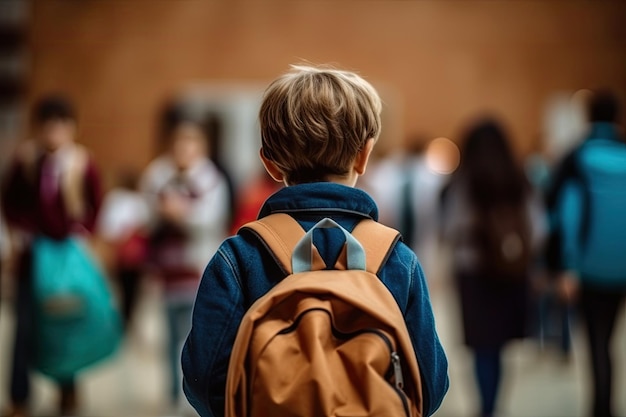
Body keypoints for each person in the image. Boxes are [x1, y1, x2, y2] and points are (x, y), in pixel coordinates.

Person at [182, 65, 449, 417]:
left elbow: (203, 378)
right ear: (364, 155)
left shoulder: (239, 257)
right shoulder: (396, 259)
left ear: (270, 164)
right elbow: (429, 383)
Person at [1, 94, 103, 417]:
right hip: (34, 257)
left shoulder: (82, 162)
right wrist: (22, 233)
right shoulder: (27, 160)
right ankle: (19, 396)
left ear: (71, 128)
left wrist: (81, 231)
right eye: (48, 126)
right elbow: (10, 201)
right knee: (24, 326)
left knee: (66, 321)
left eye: (60, 126)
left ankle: (67, 388)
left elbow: (96, 204)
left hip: (67, 257)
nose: (54, 133)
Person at [439, 119, 545, 417]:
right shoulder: (519, 179)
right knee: (499, 347)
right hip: (512, 272)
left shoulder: (463, 182)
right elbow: (539, 228)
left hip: (472, 273)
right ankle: (494, 405)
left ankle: (485, 408)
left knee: (481, 348)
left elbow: (450, 229)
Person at [140, 108, 230, 411]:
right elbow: (147, 214)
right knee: (167, 337)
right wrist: (163, 211)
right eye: (179, 143)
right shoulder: (157, 174)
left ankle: (191, 391)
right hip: (165, 269)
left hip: (195, 268)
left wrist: (180, 213)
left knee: (195, 335)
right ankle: (170, 392)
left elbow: (211, 218)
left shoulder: (211, 179)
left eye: (191, 143)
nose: (184, 150)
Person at [552, 91, 626, 417]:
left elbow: (567, 215)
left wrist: (566, 265)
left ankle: (600, 407)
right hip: (622, 266)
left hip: (588, 267)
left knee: (595, 340)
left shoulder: (576, 158)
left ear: (587, 115)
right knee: (610, 338)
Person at [95, 168, 150, 330]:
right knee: (131, 291)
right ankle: (126, 321)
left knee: (118, 288)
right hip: (134, 255)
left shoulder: (115, 200)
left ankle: (118, 321)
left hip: (120, 252)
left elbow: (107, 228)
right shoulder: (139, 201)